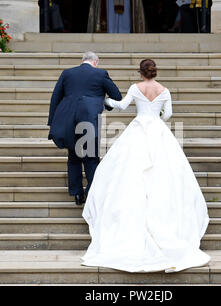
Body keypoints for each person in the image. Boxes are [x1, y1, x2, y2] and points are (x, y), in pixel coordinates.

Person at [81, 59, 211, 273]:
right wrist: (157, 114)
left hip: (139, 128)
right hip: (158, 130)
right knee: (165, 174)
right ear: (154, 72)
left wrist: (106, 101)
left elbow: (122, 105)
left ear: (141, 73)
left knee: (128, 173)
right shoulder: (164, 90)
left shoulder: (135, 87)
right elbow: (168, 114)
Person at [47, 51, 122, 205]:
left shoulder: (67, 73)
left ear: (83, 61)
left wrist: (52, 121)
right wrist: (101, 104)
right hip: (88, 120)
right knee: (91, 157)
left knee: (73, 157)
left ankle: (77, 194)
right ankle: (92, 192)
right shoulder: (101, 74)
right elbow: (117, 96)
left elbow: (55, 97)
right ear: (95, 62)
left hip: (68, 119)